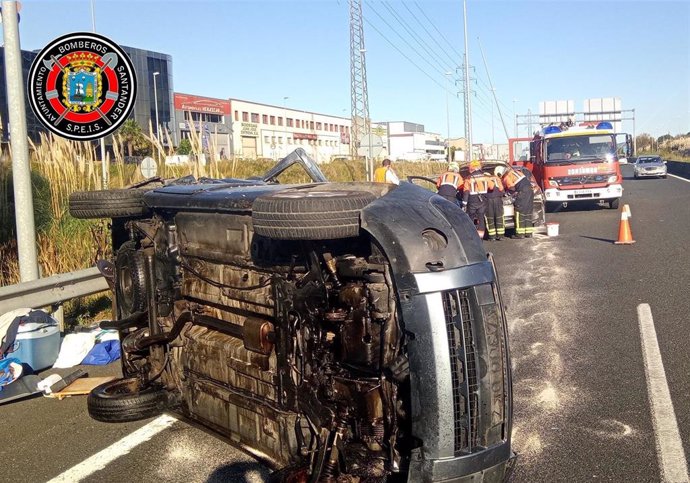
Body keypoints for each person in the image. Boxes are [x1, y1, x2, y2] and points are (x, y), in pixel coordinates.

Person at [498, 165, 535, 238]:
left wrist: (506, 194)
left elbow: (512, 188)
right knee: (527, 212)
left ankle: (520, 234)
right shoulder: (516, 172)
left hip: (522, 193)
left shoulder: (507, 177)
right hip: (530, 191)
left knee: (519, 212)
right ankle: (528, 233)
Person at [462, 160, 494, 239]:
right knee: (481, 218)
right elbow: (492, 187)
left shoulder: (468, 179)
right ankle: (480, 238)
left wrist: (464, 204)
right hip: (482, 200)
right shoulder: (485, 177)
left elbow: (466, 192)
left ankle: (471, 236)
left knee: (471, 218)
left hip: (472, 201)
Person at [484, 167, 506, 240]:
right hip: (498, 199)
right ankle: (501, 236)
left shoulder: (483, 179)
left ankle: (492, 236)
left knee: (490, 217)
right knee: (499, 217)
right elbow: (502, 190)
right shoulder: (496, 178)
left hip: (488, 200)